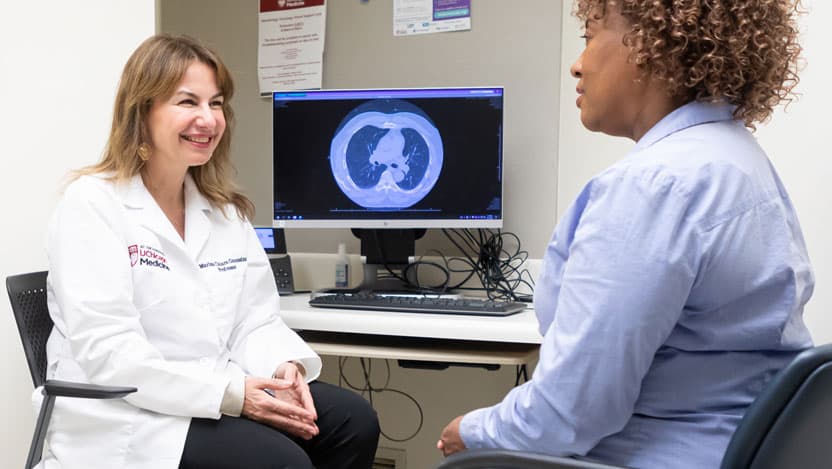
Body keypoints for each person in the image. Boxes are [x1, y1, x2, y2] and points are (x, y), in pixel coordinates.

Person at [438, 1, 814, 468]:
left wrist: (471, 431)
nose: (577, 64)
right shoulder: (738, 158)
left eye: (590, 36)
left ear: (652, 48)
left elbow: (567, 413)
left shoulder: (654, 185)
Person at [40, 34, 379, 469]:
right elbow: (112, 354)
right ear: (142, 112)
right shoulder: (92, 205)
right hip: (127, 413)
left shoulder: (221, 211)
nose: (208, 119)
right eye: (187, 102)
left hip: (215, 388)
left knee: (354, 422)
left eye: (216, 104)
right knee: (281, 461)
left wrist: (282, 365)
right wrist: (235, 396)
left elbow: (253, 320)